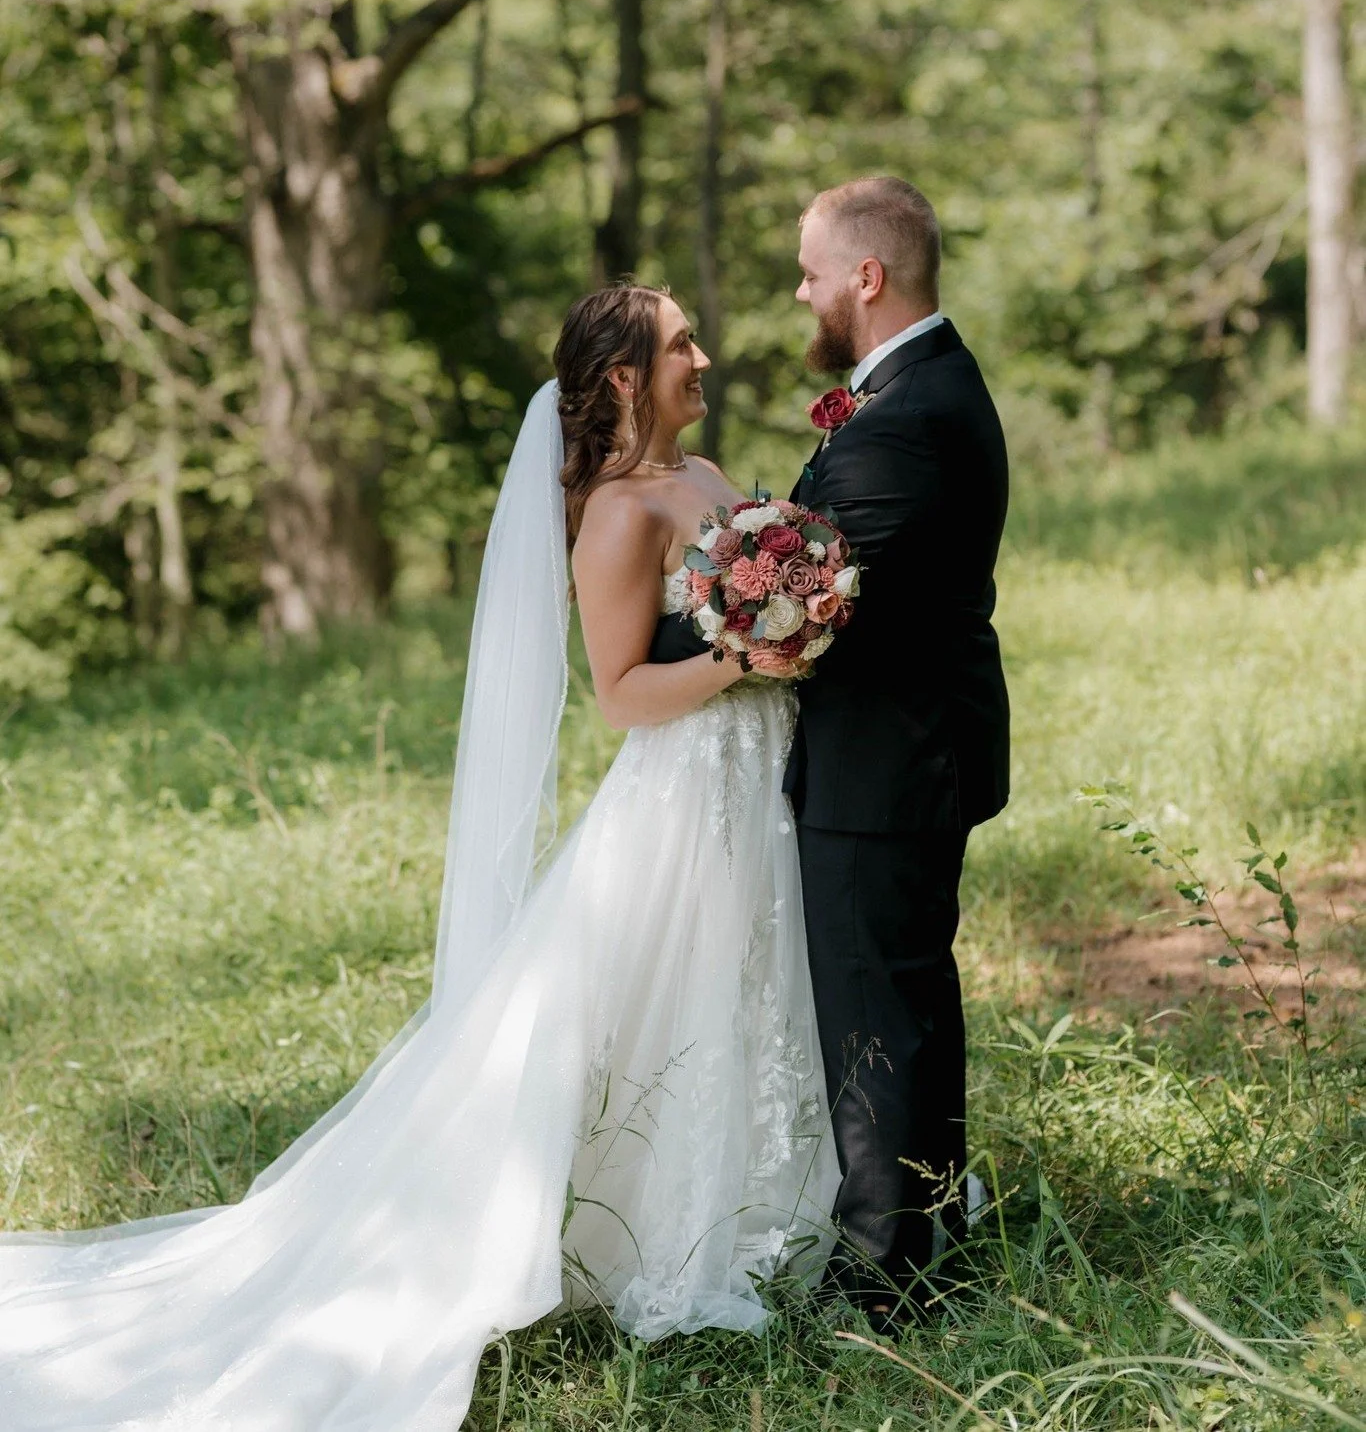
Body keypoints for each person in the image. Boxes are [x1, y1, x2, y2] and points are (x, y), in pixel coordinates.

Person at [0, 284, 839, 1432]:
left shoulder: (703, 477)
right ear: (626, 379)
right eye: (682, 340)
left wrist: (794, 609)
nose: (706, 352)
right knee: (674, 1002)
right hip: (686, 788)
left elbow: (750, 589)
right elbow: (621, 695)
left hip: (757, 769)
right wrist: (748, 656)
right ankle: (659, 1234)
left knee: (752, 982)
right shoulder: (612, 516)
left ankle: (773, 1206)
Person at [787, 176, 1010, 1321]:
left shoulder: (904, 419)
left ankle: (888, 1281)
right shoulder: (925, 387)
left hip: (886, 764)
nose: (801, 292)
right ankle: (935, 1229)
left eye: (813, 273)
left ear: (866, 279)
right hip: (911, 754)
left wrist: (681, 619)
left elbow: (808, 606)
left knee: (878, 1018)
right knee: (906, 1005)